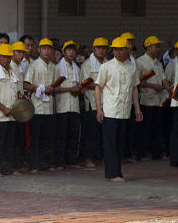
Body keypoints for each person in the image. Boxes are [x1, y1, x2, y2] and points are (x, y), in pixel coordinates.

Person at [96, 37, 143, 182]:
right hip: (110, 109)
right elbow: (98, 87)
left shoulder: (132, 67)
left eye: (120, 49)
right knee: (110, 143)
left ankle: (117, 171)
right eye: (115, 49)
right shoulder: (106, 66)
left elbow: (134, 88)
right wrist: (99, 109)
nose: (117, 52)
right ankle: (112, 174)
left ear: (126, 50)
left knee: (120, 143)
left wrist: (137, 108)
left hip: (124, 110)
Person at [0, 44, 24, 177]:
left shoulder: (13, 72)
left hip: (12, 114)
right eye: (4, 57)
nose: (6, 59)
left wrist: (21, 96)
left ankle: (8, 168)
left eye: (8, 57)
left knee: (9, 143)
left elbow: (16, 90)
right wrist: (3, 108)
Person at [24, 38, 57, 172]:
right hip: (37, 107)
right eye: (44, 48)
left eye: (49, 48)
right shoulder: (33, 65)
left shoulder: (53, 66)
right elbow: (25, 84)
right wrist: (40, 88)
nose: (47, 50)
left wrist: (52, 89)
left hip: (48, 107)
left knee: (46, 137)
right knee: (35, 137)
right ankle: (33, 164)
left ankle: (45, 163)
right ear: (38, 50)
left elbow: (55, 85)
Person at [136, 36, 170, 160]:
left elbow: (164, 78)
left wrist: (168, 87)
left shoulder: (158, 62)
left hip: (159, 100)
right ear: (149, 47)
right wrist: (153, 86)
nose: (158, 49)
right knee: (145, 129)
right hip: (147, 99)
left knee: (158, 127)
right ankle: (142, 153)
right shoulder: (140, 62)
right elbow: (138, 82)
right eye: (156, 46)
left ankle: (157, 153)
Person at [53, 41, 82, 169]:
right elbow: (54, 88)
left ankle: (71, 161)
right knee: (61, 135)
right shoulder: (58, 68)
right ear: (63, 52)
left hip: (74, 106)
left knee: (73, 135)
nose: (71, 52)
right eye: (68, 50)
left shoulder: (77, 68)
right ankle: (59, 161)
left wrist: (80, 89)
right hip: (62, 106)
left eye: (73, 50)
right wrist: (71, 89)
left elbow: (80, 86)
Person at [80, 38, 108, 169]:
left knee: (103, 132)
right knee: (91, 132)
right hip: (92, 102)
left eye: (104, 48)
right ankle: (88, 158)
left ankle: (100, 156)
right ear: (93, 49)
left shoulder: (108, 63)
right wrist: (101, 84)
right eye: (99, 48)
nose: (101, 50)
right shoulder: (87, 65)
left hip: (106, 102)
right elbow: (85, 83)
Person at [9, 41, 30, 172]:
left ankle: (18, 164)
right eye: (19, 52)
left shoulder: (20, 66)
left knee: (20, 136)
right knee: (13, 137)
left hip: (20, 107)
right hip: (12, 105)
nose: (21, 55)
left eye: (23, 52)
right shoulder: (10, 67)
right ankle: (13, 166)